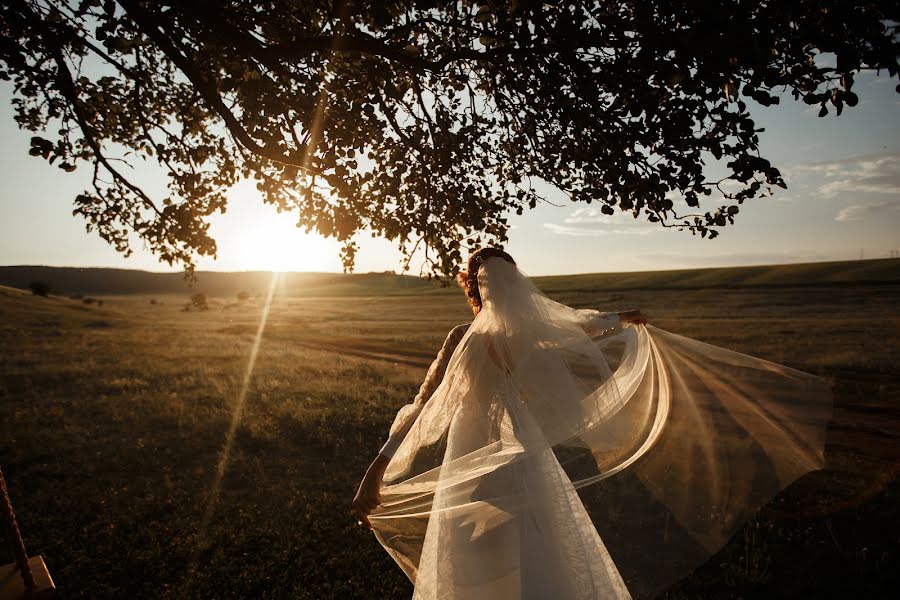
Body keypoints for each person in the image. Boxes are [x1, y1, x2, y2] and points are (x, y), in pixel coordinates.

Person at [352, 248, 832, 599]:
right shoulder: (498, 336)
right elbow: (575, 329)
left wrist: (378, 469)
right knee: (511, 544)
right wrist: (618, 318)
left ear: (474, 288)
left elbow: (422, 407)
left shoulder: (488, 336)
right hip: (508, 450)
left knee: (509, 545)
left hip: (500, 452)